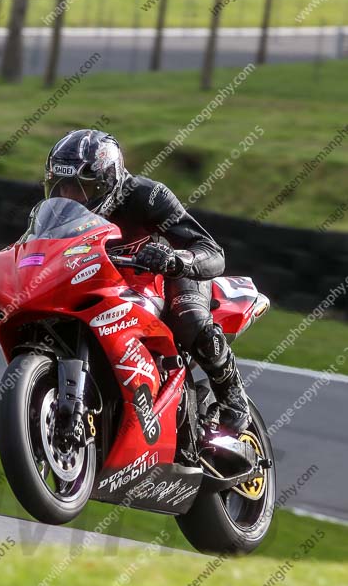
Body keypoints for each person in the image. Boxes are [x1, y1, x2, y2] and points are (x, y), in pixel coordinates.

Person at [42, 129, 250, 433]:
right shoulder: (58, 217)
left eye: (81, 189)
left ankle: (233, 396)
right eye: (62, 188)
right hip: (106, 286)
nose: (70, 198)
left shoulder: (147, 196)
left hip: (166, 279)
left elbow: (211, 251)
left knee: (189, 318)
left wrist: (178, 260)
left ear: (107, 181)